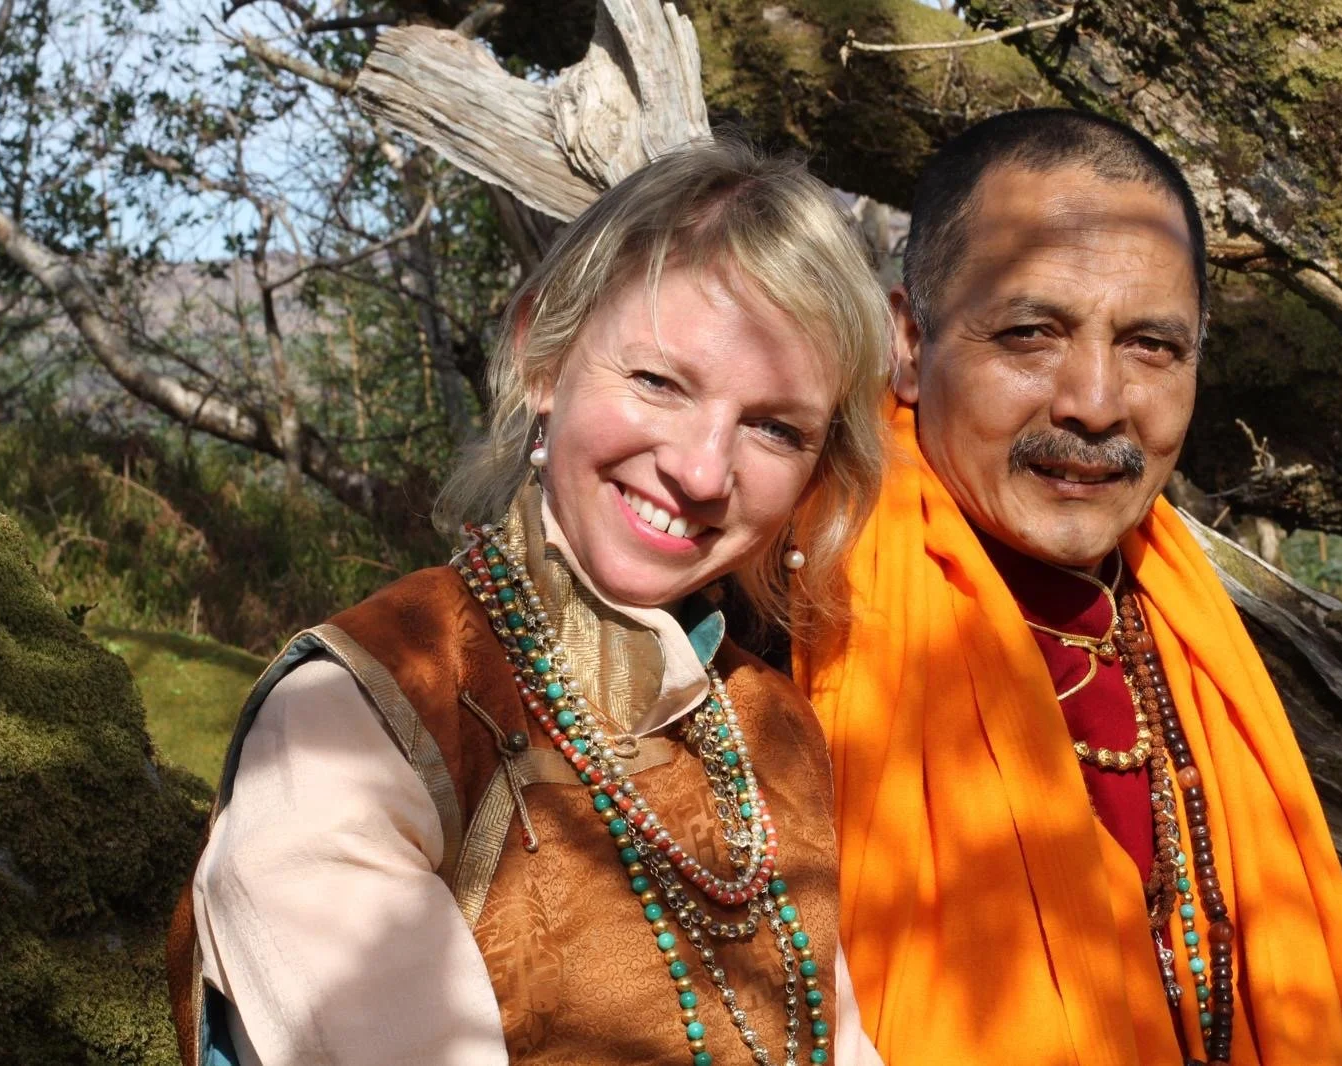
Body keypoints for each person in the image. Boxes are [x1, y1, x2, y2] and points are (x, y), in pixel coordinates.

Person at [167, 140, 893, 1066]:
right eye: (659, 382)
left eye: (774, 427)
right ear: (542, 357)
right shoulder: (364, 713)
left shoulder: (771, 727)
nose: (704, 470)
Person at [795, 110, 1342, 1066]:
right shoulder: (786, 606)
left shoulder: (1187, 632)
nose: (1096, 401)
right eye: (1032, 333)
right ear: (909, 343)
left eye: (1151, 345)